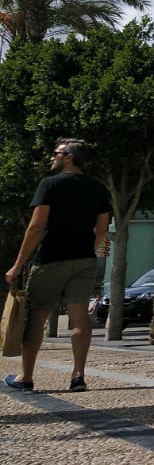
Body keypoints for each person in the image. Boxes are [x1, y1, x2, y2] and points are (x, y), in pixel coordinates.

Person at [5, 138, 111, 392]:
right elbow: (102, 229)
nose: (52, 158)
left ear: (69, 157)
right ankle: (78, 376)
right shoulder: (99, 188)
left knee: (37, 316)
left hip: (51, 259)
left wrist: (18, 264)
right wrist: (88, 249)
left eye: (56, 154)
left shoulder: (50, 184)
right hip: (84, 259)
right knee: (79, 317)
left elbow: (36, 226)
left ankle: (25, 377)